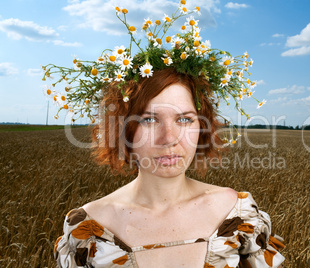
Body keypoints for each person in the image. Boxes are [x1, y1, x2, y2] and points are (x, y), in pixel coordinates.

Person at [47, 2, 285, 267]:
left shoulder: (239, 217)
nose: (169, 137)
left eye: (184, 119)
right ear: (122, 129)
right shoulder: (87, 230)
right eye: (149, 119)